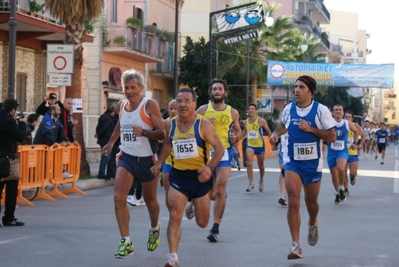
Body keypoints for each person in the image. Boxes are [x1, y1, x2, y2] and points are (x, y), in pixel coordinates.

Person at [150, 88, 224, 267]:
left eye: (186, 101)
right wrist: (159, 163)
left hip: (200, 177)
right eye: (179, 100)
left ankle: (194, 202)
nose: (182, 104)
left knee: (202, 222)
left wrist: (210, 167)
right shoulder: (171, 124)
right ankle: (173, 257)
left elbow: (220, 149)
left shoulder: (204, 125)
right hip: (178, 176)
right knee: (175, 214)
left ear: (194, 104)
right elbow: (168, 143)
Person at [269, 75, 336, 260]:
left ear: (310, 92)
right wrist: (275, 133)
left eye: (301, 87)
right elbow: (284, 125)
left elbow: (331, 137)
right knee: (294, 200)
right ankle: (296, 245)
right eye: (295, 87)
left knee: (311, 204)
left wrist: (311, 129)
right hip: (293, 162)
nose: (296, 90)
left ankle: (313, 223)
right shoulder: (289, 108)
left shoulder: (321, 111)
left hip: (313, 164)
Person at [101, 69, 165, 259]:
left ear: (141, 88)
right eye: (126, 88)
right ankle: (126, 241)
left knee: (151, 201)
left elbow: (162, 134)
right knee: (119, 197)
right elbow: (120, 125)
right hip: (127, 156)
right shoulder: (121, 105)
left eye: (133, 88)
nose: (129, 91)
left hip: (147, 159)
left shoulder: (149, 105)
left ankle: (154, 227)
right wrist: (111, 142)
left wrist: (144, 132)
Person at [186, 78, 241, 242]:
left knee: (220, 188)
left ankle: (215, 227)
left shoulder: (232, 112)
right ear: (211, 92)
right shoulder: (203, 110)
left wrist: (235, 137)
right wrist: (203, 125)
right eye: (214, 89)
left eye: (220, 89)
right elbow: (190, 128)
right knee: (209, 192)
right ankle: (196, 201)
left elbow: (238, 131)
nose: (217, 92)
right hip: (205, 153)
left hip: (224, 152)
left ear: (225, 92)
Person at [0, 98, 27, 226]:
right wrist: (22, 123)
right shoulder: (9, 121)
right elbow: (20, 136)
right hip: (7, 160)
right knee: (11, 191)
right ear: (12, 110)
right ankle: (9, 218)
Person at [327, 104, 358, 205]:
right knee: (334, 175)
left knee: (341, 168)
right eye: (336, 110)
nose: (338, 111)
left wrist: (355, 143)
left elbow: (356, 131)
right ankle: (337, 193)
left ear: (343, 112)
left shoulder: (347, 123)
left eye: (340, 109)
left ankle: (341, 187)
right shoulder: (328, 123)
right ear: (332, 112)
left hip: (342, 151)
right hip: (331, 152)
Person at [33, 105, 72, 178]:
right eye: (58, 110)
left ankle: (62, 172)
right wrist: (53, 142)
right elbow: (48, 132)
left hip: (49, 145)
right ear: (52, 111)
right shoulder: (47, 119)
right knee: (42, 164)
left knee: (56, 159)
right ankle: (40, 181)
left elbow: (61, 130)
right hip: (41, 145)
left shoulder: (56, 119)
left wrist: (64, 140)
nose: (60, 112)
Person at [239, 103, 271, 192]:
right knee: (249, 162)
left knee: (261, 165)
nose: (251, 110)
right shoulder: (245, 122)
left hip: (260, 146)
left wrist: (272, 140)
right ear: (247, 111)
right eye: (249, 109)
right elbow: (244, 132)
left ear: (256, 111)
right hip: (250, 145)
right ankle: (251, 184)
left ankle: (261, 180)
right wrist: (237, 140)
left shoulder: (261, 121)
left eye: (253, 109)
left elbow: (268, 130)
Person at [160, 99, 178, 206]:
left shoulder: (187, 123)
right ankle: (172, 213)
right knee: (167, 189)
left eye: (175, 108)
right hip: (168, 161)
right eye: (171, 109)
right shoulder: (165, 122)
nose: (173, 111)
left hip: (183, 163)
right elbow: (163, 140)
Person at [344, 110, 365, 189]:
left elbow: (363, 135)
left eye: (349, 117)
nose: (347, 118)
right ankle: (346, 189)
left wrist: (361, 144)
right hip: (343, 153)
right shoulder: (340, 125)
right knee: (343, 173)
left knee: (353, 173)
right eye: (346, 117)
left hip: (353, 153)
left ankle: (352, 177)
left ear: (352, 119)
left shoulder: (355, 126)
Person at [95, 106, 116, 179]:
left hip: (103, 140)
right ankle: (101, 173)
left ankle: (106, 173)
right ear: (112, 112)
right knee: (106, 157)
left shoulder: (102, 116)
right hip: (106, 141)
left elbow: (98, 127)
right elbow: (104, 128)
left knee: (106, 157)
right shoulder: (108, 119)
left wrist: (98, 134)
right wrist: (99, 134)